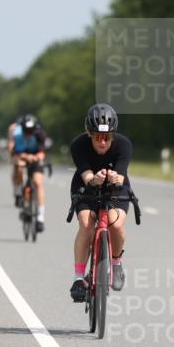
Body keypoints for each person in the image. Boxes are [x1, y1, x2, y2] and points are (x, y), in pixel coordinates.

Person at [69, 103, 132, 302]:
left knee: (116, 224)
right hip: (86, 185)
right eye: (97, 137)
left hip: (115, 188)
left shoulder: (123, 145)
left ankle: (116, 263)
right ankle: (79, 278)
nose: (102, 142)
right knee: (86, 224)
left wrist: (115, 177)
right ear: (89, 133)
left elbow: (121, 177)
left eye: (107, 137)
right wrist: (94, 179)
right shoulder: (78, 145)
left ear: (113, 135)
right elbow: (86, 174)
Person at [10, 114, 47, 231]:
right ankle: (19, 192)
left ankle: (40, 216)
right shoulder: (18, 134)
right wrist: (27, 156)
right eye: (26, 131)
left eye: (31, 131)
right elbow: (17, 153)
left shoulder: (40, 133)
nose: (29, 134)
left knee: (38, 182)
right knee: (19, 167)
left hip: (35, 158)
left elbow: (42, 152)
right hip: (22, 155)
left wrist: (37, 157)